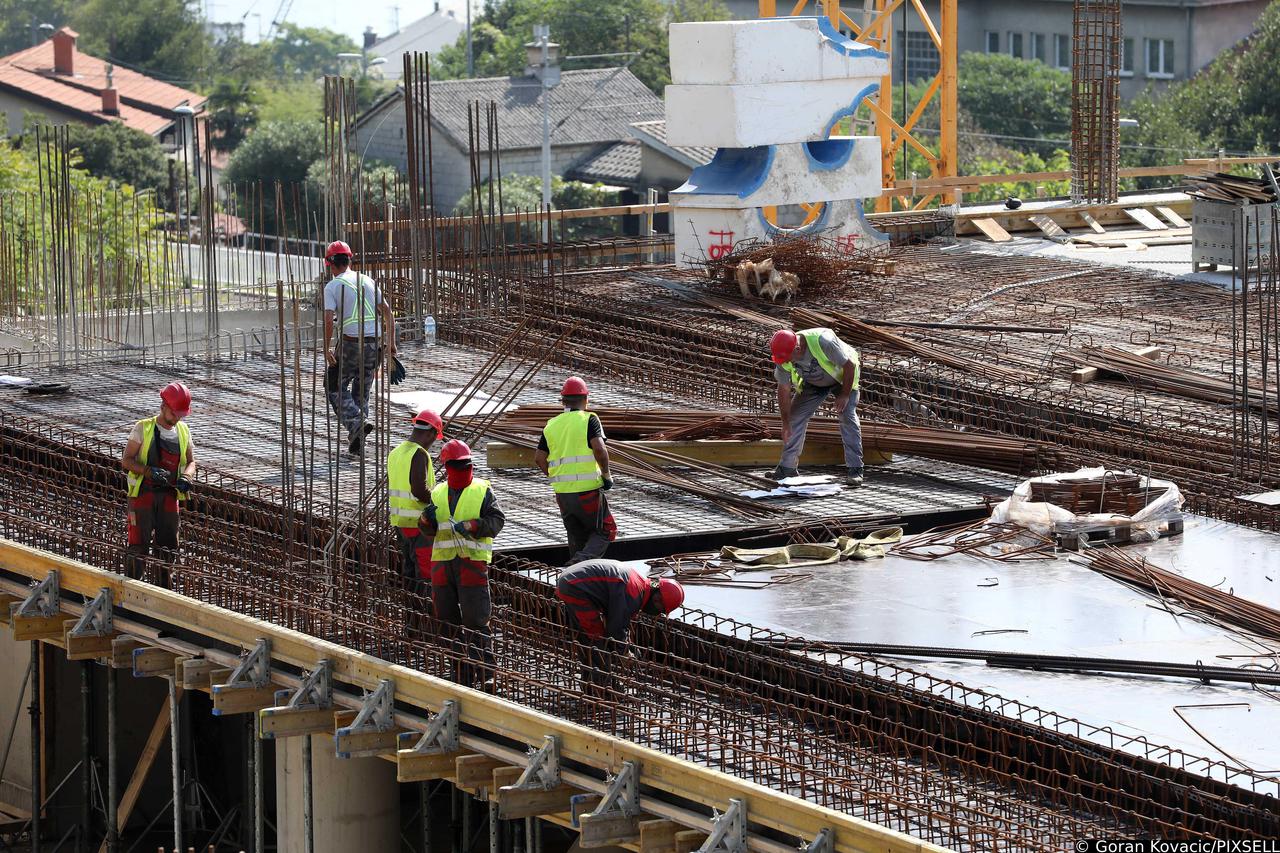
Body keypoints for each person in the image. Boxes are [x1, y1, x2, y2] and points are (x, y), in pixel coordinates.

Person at [419, 439, 505, 689]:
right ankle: (461, 672)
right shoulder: (437, 493)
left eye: (465, 465)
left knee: (476, 620)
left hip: (471, 564)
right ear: (447, 467)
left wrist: (472, 526)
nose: (461, 469)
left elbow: (497, 521)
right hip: (443, 566)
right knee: (447, 620)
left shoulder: (482, 490)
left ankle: (486, 673)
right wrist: (425, 520)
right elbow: (428, 531)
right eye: (456, 465)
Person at [555, 559, 685, 691]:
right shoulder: (633, 595)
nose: (658, 613)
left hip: (574, 580)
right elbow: (615, 629)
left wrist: (625, 646)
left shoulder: (638, 585)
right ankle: (600, 689)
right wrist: (624, 653)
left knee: (594, 638)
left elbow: (619, 621)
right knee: (594, 638)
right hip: (576, 587)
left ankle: (597, 683)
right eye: (661, 610)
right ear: (657, 599)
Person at [322, 240, 397, 456]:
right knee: (361, 393)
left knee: (333, 386)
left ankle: (357, 422)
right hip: (375, 346)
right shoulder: (368, 281)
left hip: (351, 345)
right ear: (350, 259)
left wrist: (326, 347)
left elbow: (328, 319)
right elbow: (388, 313)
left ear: (330, 263)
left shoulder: (332, 286)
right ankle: (358, 440)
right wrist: (390, 344)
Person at [120, 382, 197, 587]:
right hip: (143, 494)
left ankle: (164, 589)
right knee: (138, 544)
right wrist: (148, 471)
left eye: (181, 414)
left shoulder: (183, 431)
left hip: (169, 496)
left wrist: (187, 477)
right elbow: (126, 460)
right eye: (174, 413)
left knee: (168, 546)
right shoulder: (143, 428)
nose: (177, 418)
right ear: (163, 406)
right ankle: (132, 588)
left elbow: (191, 461)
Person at [534, 376, 617, 564]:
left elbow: (539, 459)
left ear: (563, 401)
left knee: (576, 535)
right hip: (587, 490)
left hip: (563, 494)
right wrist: (606, 475)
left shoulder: (551, 424)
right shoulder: (589, 419)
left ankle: (575, 575)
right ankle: (579, 562)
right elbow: (599, 449)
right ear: (586, 400)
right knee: (605, 530)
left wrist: (558, 477)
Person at [769, 327, 864, 487]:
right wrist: (785, 423)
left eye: (788, 359)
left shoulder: (823, 341)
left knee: (846, 416)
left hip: (843, 378)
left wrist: (845, 394)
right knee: (794, 418)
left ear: (797, 348)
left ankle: (855, 469)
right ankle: (787, 468)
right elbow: (783, 389)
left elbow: (850, 365)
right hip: (814, 382)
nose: (785, 362)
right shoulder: (782, 354)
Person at [388, 409, 443, 595]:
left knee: (410, 572)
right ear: (431, 433)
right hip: (419, 524)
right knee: (425, 575)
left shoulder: (396, 452)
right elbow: (419, 490)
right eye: (434, 438)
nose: (432, 443)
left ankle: (411, 619)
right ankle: (424, 617)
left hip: (400, 522)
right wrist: (439, 500)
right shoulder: (419, 454)